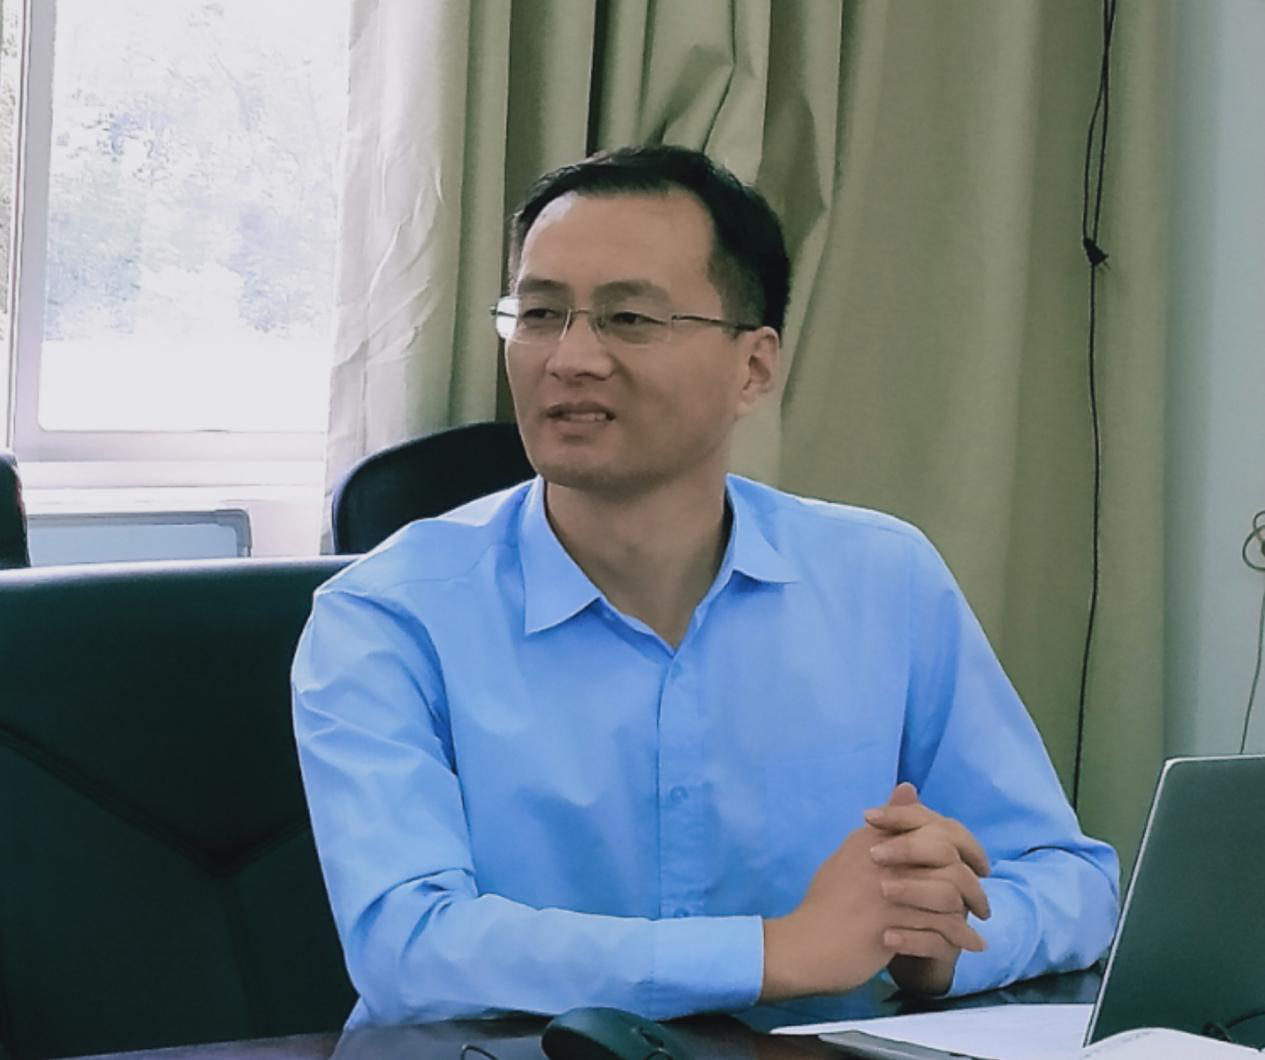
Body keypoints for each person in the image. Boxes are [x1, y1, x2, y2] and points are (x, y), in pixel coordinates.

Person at [292, 145, 1119, 1028]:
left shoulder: (881, 578)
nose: (569, 358)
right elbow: (409, 948)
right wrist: (777, 952)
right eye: (539, 314)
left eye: (628, 318)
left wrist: (939, 941)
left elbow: (1069, 880)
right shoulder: (387, 613)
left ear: (753, 367)